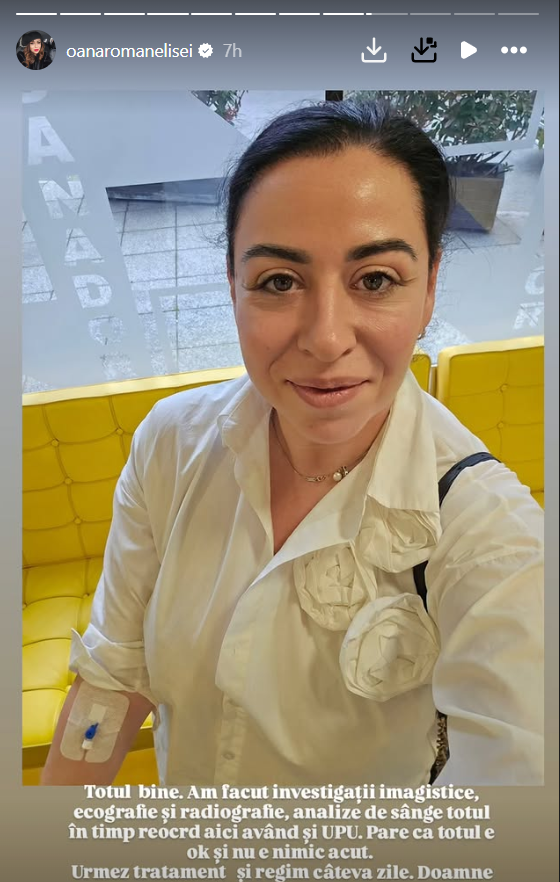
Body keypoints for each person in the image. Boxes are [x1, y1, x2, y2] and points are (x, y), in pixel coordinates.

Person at [41, 100, 544, 788]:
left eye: (376, 280)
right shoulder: (171, 446)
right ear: (233, 288)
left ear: (429, 290)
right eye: (279, 281)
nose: (326, 339)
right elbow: (113, 677)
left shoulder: (493, 541)